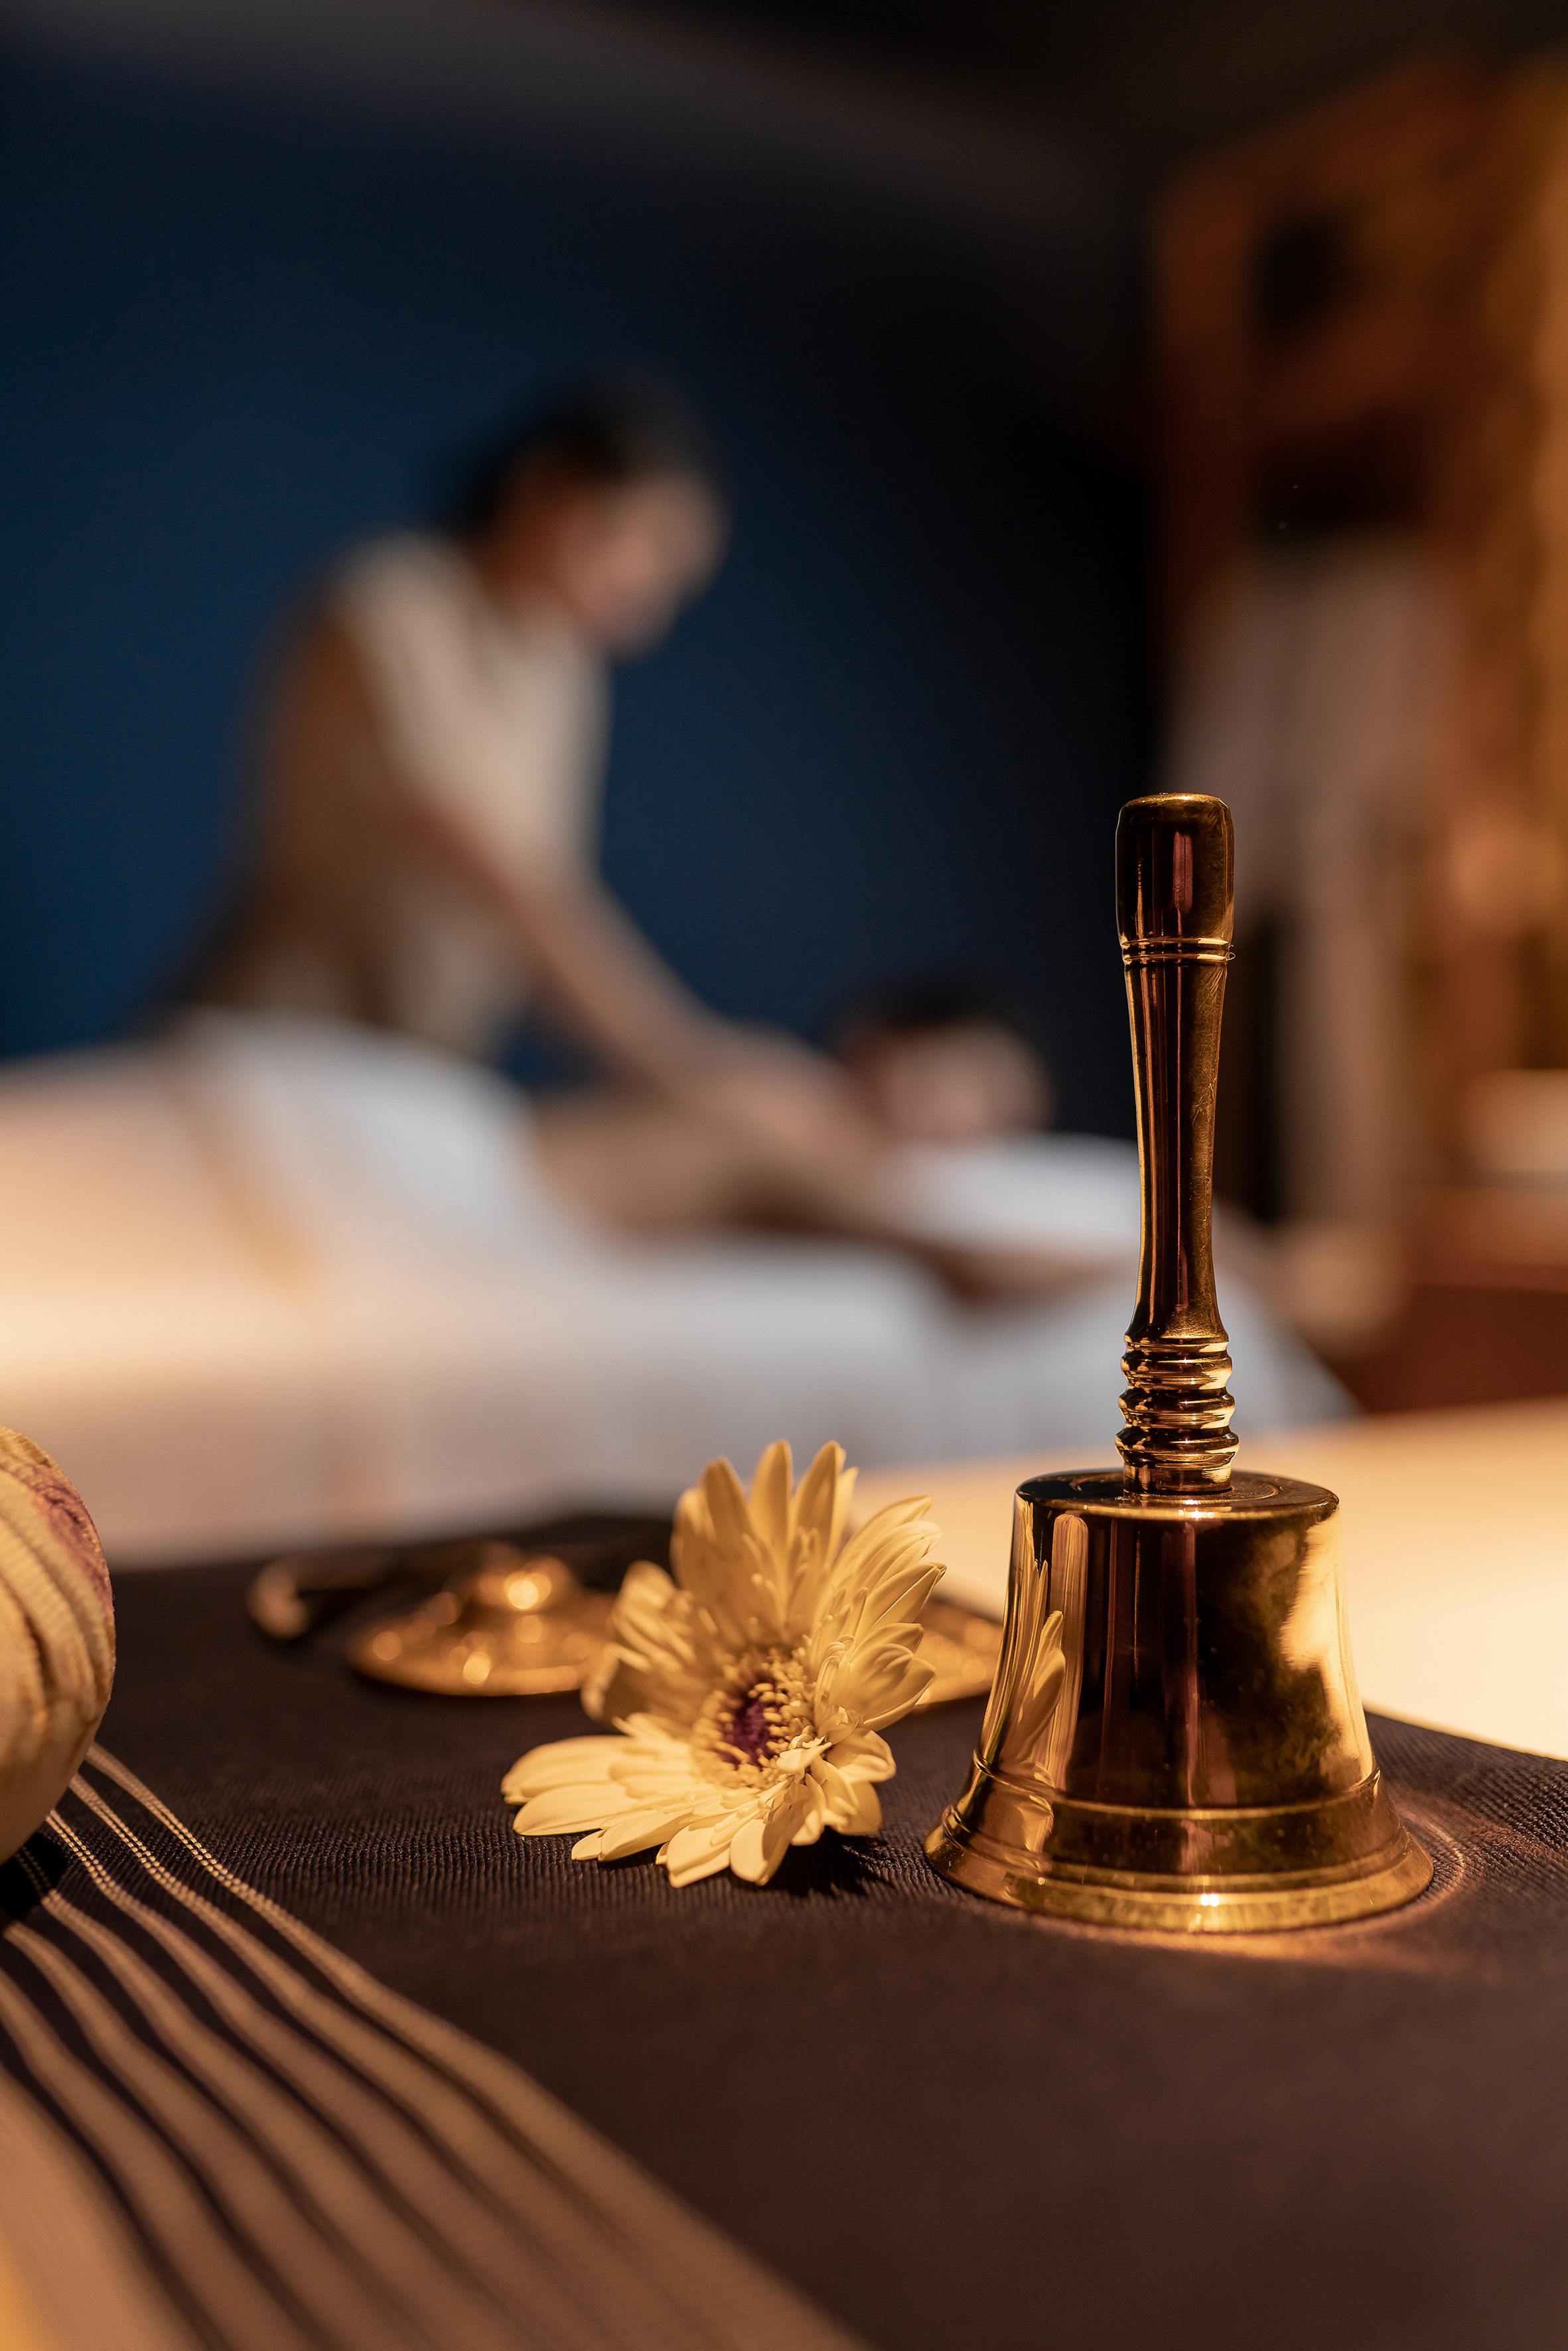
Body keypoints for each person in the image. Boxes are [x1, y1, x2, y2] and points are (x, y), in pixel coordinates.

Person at [200, 383, 894, 1241]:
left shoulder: (560, 666)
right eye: (633, 542)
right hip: (288, 1056)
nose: (642, 594)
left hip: (425, 1082)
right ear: (544, 488)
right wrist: (685, 1061)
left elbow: (535, 919)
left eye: (672, 578)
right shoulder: (388, 605)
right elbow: (501, 875)